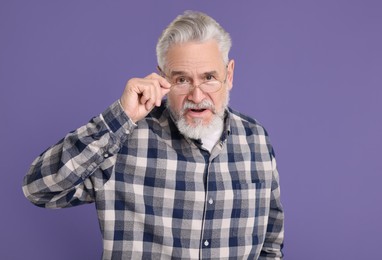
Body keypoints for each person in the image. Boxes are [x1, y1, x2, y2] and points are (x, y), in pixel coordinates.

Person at [22, 11, 284, 259]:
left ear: (229, 75)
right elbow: (38, 190)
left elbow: (270, 245)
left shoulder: (256, 139)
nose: (196, 96)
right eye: (182, 80)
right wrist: (120, 116)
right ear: (162, 78)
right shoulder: (123, 138)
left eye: (209, 78)